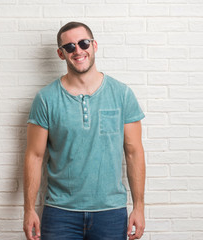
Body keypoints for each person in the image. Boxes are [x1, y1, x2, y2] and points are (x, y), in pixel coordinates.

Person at [23, 21, 145, 240]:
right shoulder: (46, 99)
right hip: (60, 212)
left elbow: (134, 152)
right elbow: (35, 155)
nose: (77, 50)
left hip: (111, 212)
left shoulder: (122, 94)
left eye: (83, 43)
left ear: (94, 45)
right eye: (69, 47)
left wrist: (139, 206)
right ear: (61, 54)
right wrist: (28, 209)